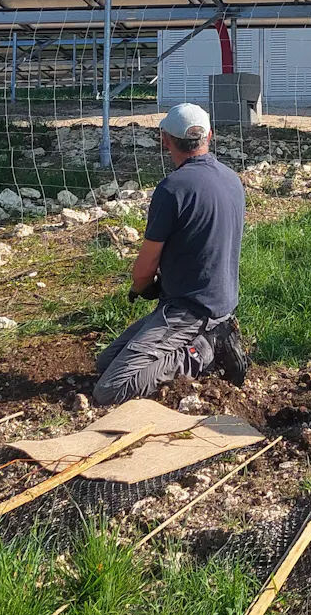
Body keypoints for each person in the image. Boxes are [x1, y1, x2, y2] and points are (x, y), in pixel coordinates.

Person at [93, 103, 249, 405]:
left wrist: (140, 289)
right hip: (214, 298)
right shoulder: (231, 178)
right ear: (210, 135)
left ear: (166, 140)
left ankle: (205, 349)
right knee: (104, 364)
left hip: (190, 310)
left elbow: (143, 270)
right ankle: (208, 334)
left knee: (111, 388)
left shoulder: (172, 189)